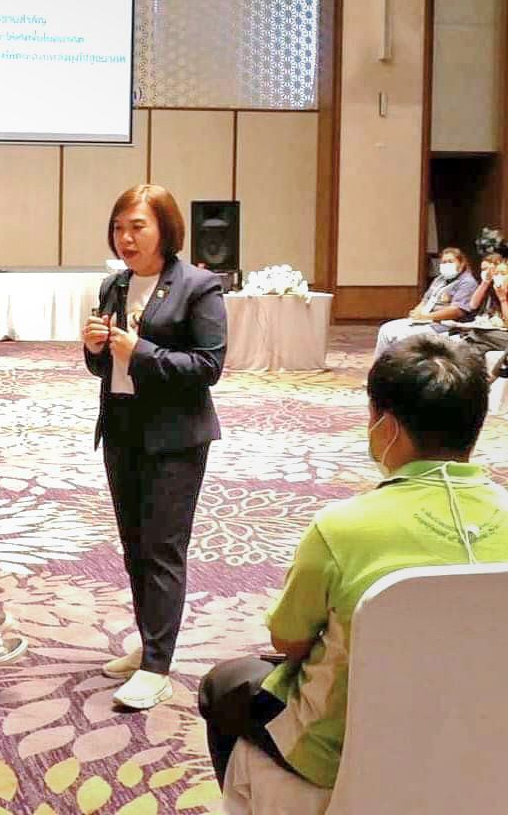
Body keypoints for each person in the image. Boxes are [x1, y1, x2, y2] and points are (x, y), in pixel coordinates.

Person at [198, 335, 508, 794]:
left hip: (344, 749)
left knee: (225, 684)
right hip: (487, 733)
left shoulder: (341, 528)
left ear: (387, 426)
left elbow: (289, 641)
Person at [83, 184, 227, 711]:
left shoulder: (199, 286)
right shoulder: (114, 286)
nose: (126, 238)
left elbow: (208, 366)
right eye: (118, 227)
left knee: (163, 549)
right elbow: (107, 367)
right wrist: (95, 350)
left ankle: (157, 667)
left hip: (174, 439)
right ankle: (149, 642)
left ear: (166, 229)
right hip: (122, 429)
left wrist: (140, 351)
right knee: (135, 545)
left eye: (137, 227)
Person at [373, 247, 478, 357]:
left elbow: (457, 311)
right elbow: (425, 301)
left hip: (444, 325)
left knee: (402, 336)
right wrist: (416, 313)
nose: (446, 265)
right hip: (424, 320)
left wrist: (426, 317)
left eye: (450, 262)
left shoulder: (467, 282)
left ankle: (401, 366)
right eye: (444, 262)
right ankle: (380, 365)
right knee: (386, 329)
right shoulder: (440, 279)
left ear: (461, 264)